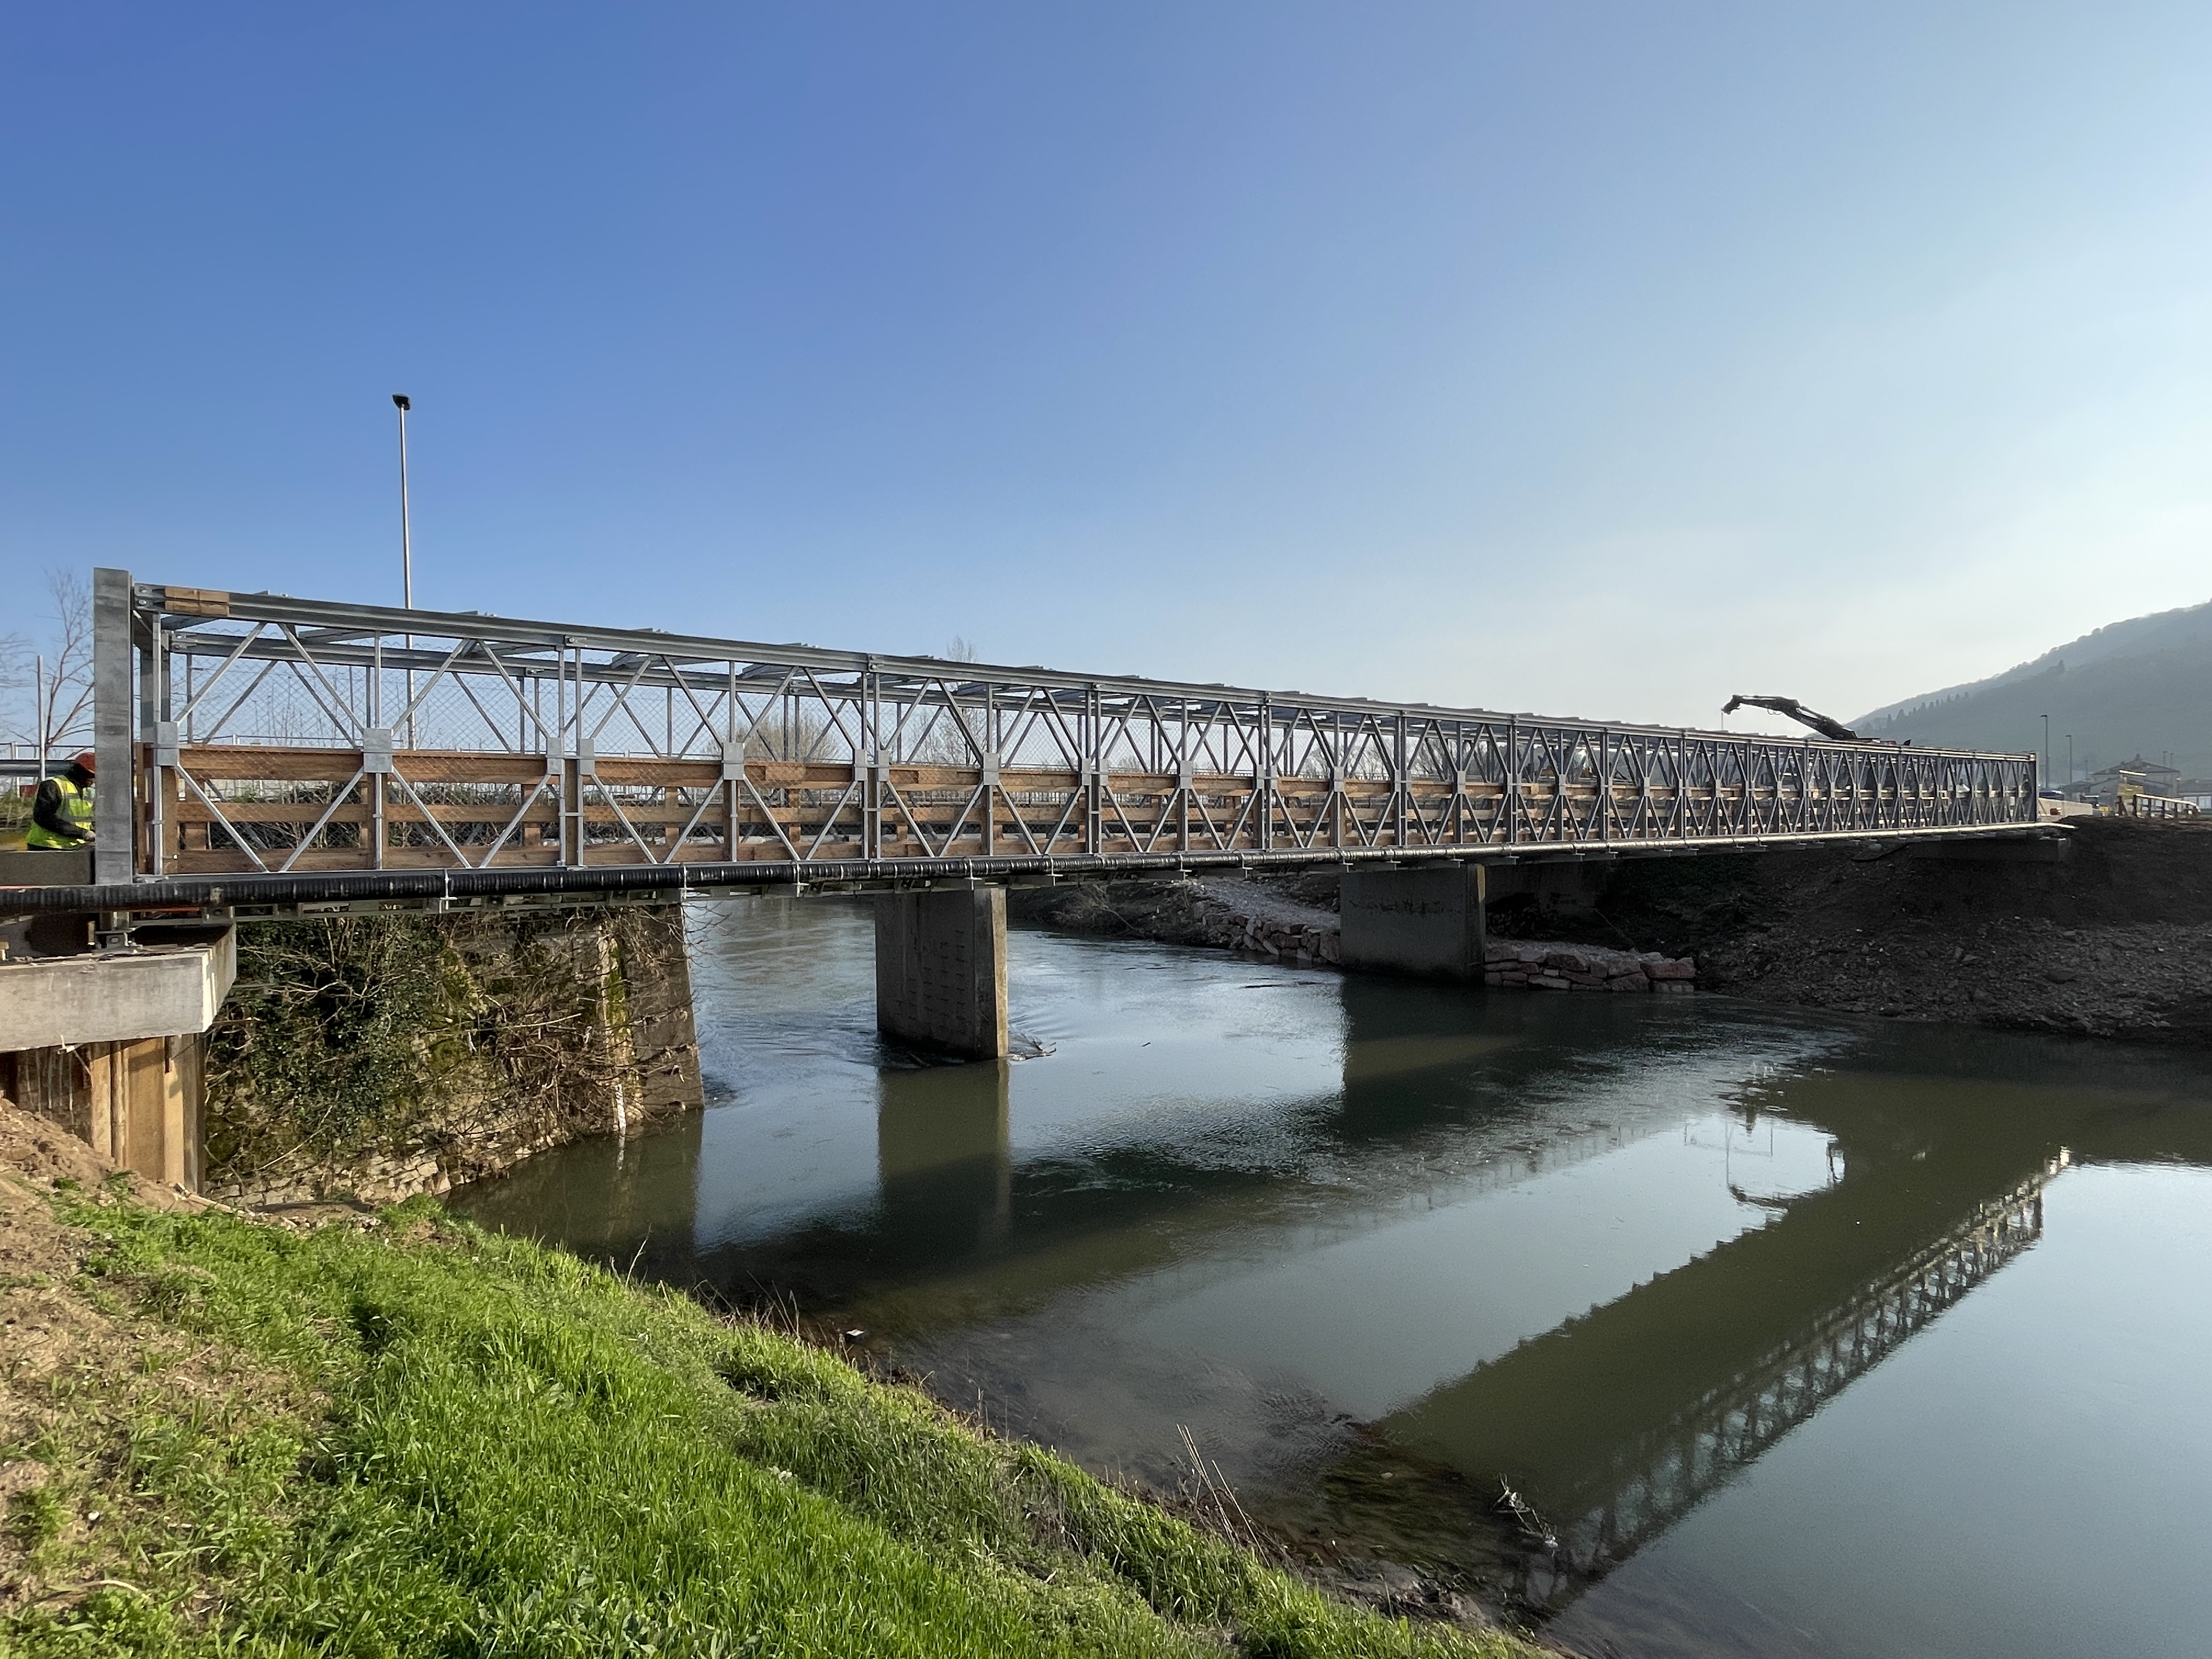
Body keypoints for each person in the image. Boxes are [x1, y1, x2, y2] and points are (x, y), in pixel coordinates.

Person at [26, 751, 95, 849]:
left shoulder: (87, 792)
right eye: (92, 776)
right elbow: (44, 818)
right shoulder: (52, 786)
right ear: (81, 772)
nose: (93, 781)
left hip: (75, 846)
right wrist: (83, 833)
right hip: (47, 846)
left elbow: (86, 820)